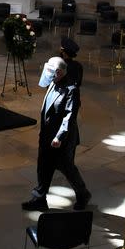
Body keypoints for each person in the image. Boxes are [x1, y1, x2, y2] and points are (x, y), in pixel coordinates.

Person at [22, 57, 91, 211]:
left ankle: (83, 193)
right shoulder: (53, 82)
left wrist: (59, 137)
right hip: (47, 134)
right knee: (43, 166)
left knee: (67, 168)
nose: (48, 74)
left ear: (59, 72)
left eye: (51, 72)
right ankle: (40, 198)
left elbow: (69, 115)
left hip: (62, 139)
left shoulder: (71, 90)